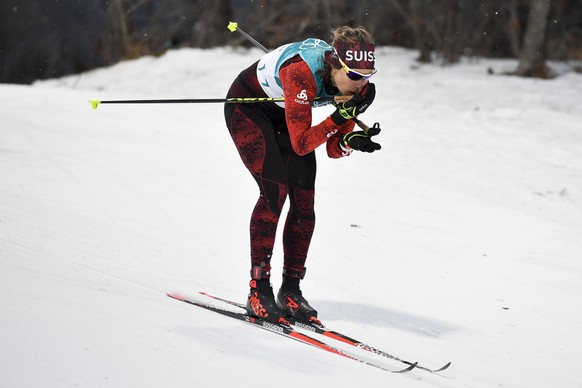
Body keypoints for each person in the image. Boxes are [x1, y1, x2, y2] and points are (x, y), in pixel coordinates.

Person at [224, 26, 381, 325]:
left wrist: (350, 142)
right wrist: (339, 117)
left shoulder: (361, 89)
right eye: (356, 77)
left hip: (289, 115)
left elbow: (333, 148)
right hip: (249, 109)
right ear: (337, 65)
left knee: (304, 203)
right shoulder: (300, 72)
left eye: (369, 76)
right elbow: (301, 143)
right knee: (274, 193)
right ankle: (258, 290)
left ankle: (291, 290)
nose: (362, 85)